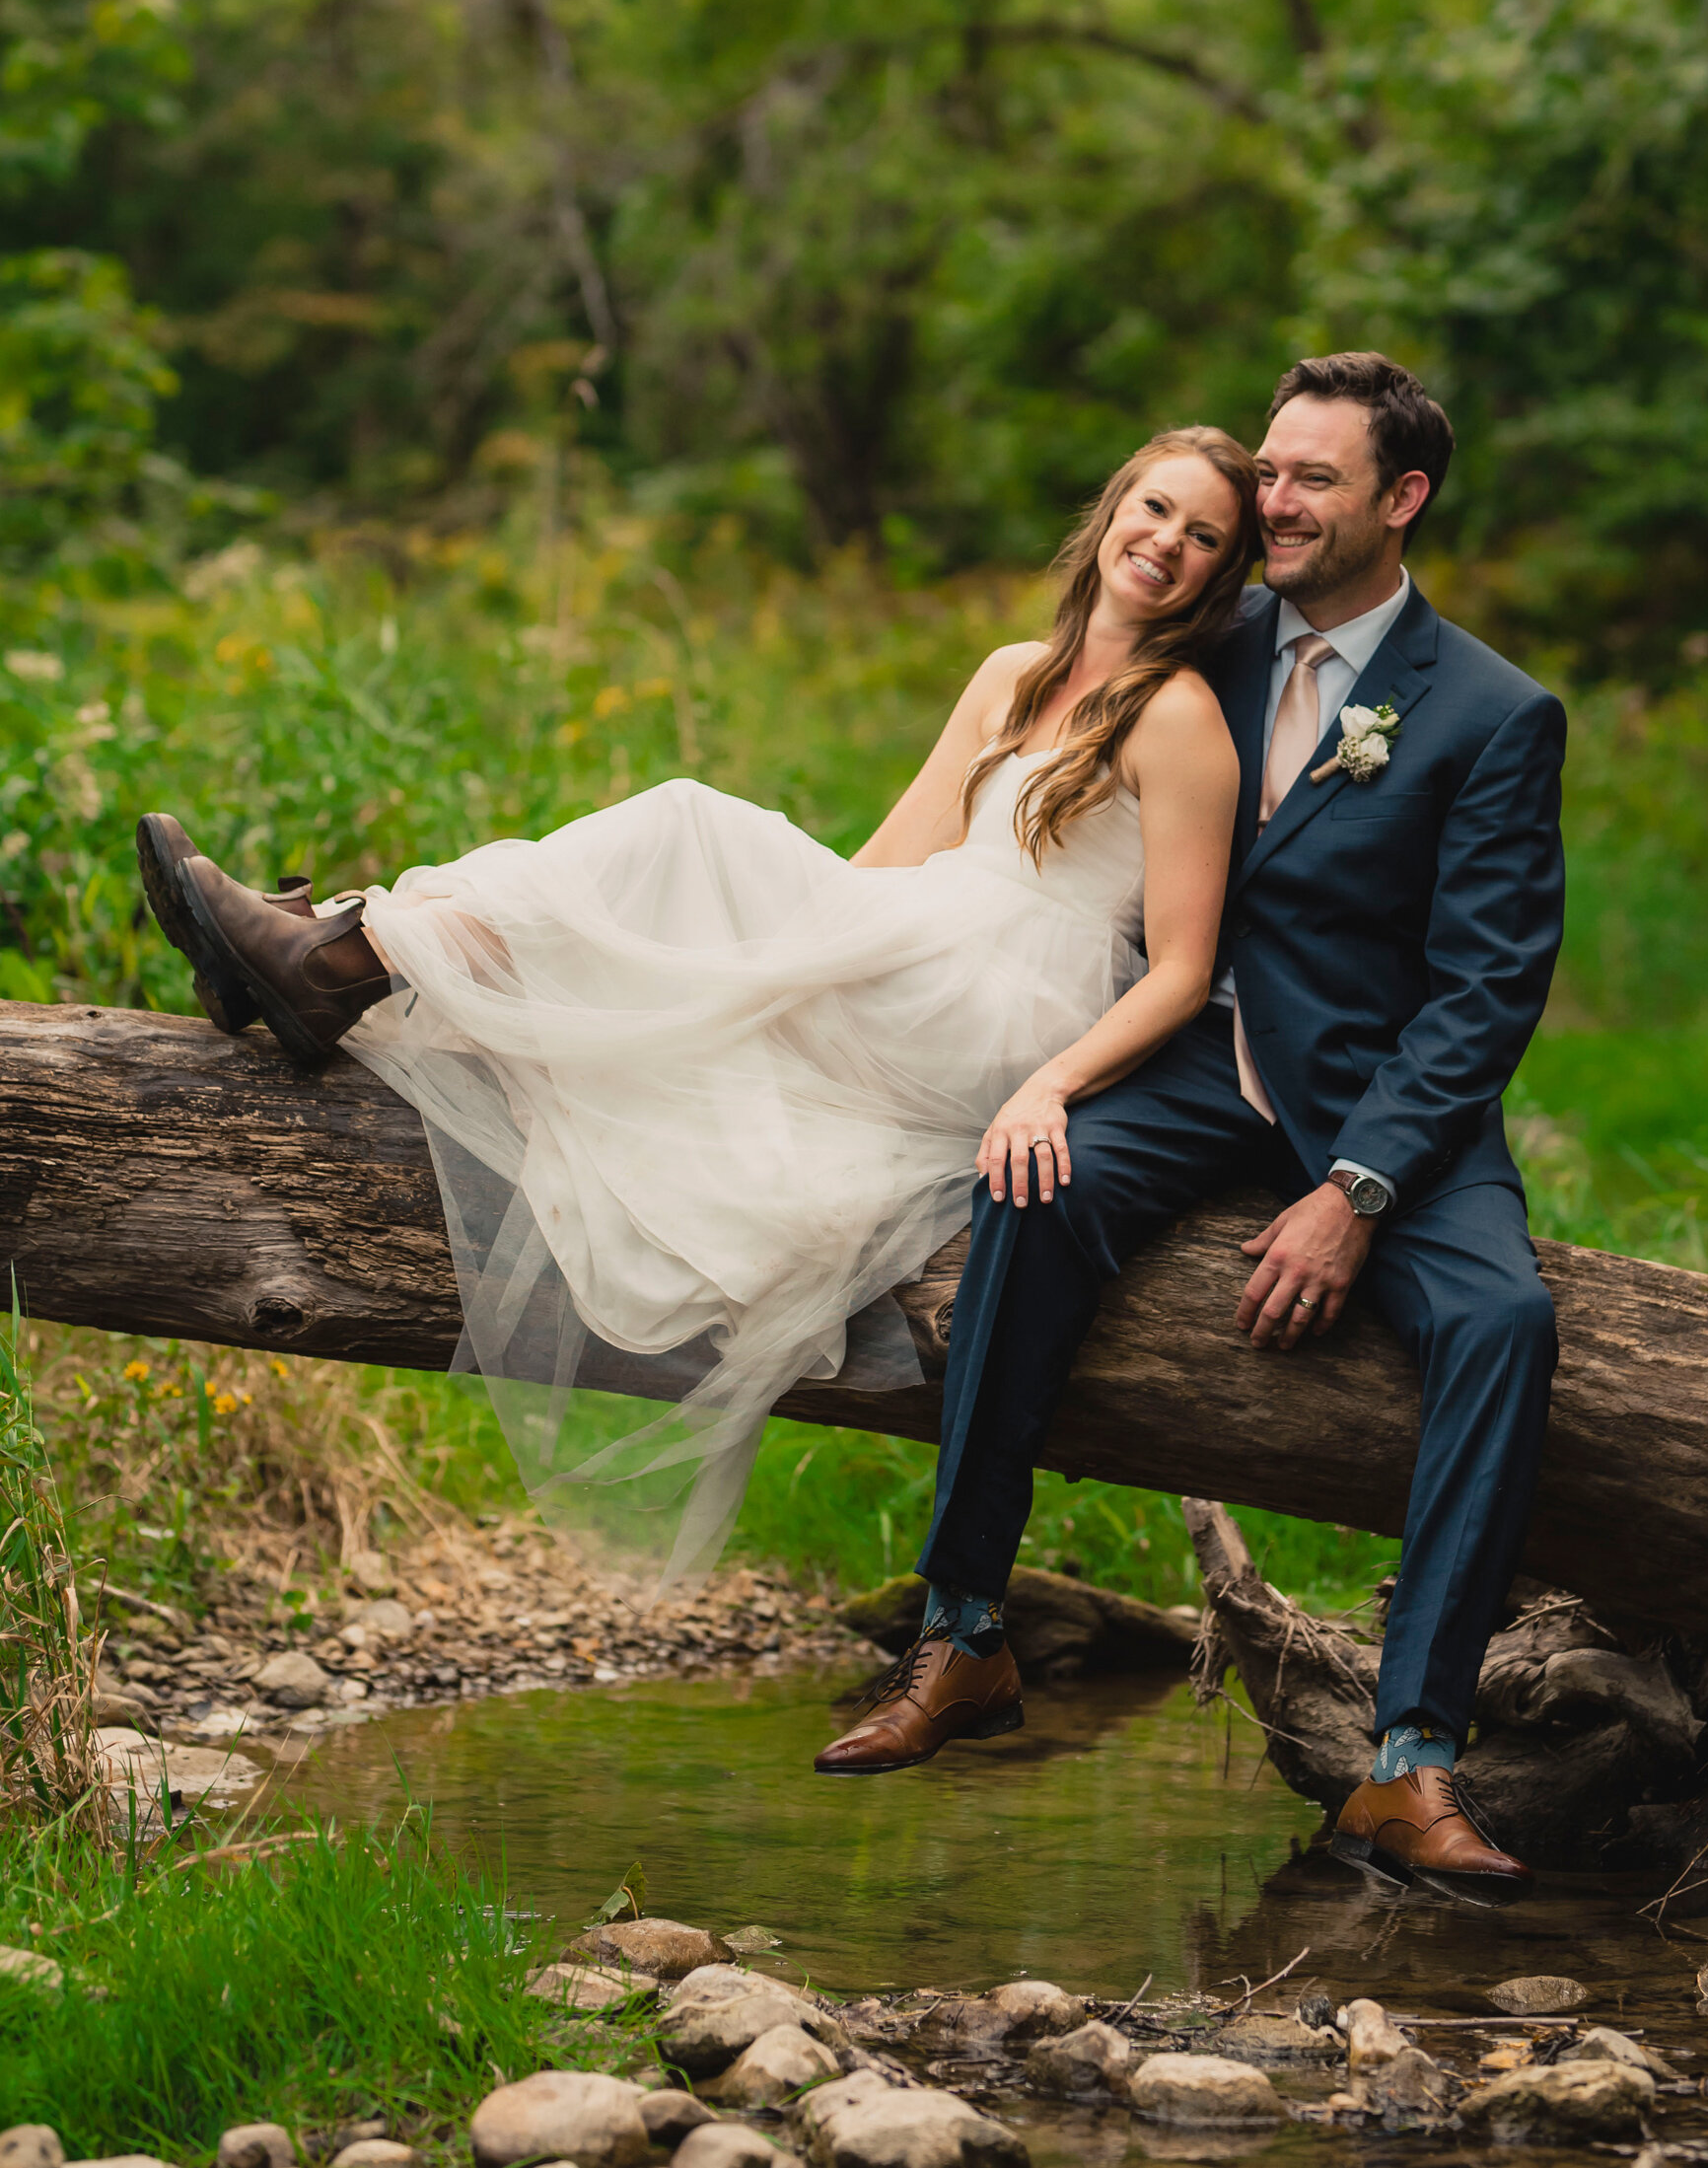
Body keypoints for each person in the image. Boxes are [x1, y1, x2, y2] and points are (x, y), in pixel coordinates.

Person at [136, 427, 1260, 1588]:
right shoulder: (1011, 670)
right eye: (1154, 508)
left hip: (1006, 1009)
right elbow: (885, 861)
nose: (1165, 543)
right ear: (1112, 507)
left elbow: (1179, 969)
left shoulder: (1177, 718)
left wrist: (1051, 1083)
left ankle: (335, 958)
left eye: (1203, 537)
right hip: (925, 943)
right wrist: (780, 933)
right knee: (688, 883)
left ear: (1221, 576)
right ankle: (336, 959)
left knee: (682, 823)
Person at [823, 352, 1565, 1904]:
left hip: (1378, 1103)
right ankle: (964, 1633)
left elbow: (1488, 990)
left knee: (1504, 1321)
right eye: (1268, 476)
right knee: (1032, 1185)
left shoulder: (1494, 713)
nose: (1272, 502)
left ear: (1401, 499)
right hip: (1190, 1066)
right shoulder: (1202, 641)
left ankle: (1410, 1760)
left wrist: (1359, 1187)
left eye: (1310, 480)